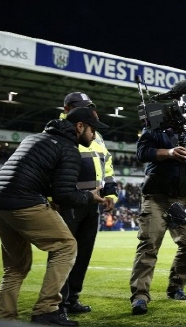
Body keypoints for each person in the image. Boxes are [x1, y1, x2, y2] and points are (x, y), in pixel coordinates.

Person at [0, 107, 108, 326]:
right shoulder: (69, 148)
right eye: (93, 130)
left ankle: (5, 317)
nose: (94, 135)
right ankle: (47, 310)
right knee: (66, 245)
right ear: (80, 126)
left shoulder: (35, 138)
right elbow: (64, 193)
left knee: (15, 266)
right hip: (23, 201)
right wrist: (89, 197)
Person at [129, 108, 186, 315]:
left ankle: (176, 286)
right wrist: (169, 152)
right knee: (149, 245)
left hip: (184, 197)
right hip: (156, 196)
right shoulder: (156, 125)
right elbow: (142, 152)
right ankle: (140, 296)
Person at [57, 92, 118, 315]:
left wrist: (110, 194)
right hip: (69, 202)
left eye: (89, 106)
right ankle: (58, 303)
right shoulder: (59, 130)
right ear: (66, 109)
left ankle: (72, 299)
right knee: (64, 254)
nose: (89, 110)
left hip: (93, 203)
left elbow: (107, 167)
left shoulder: (96, 135)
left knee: (83, 254)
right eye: (81, 107)